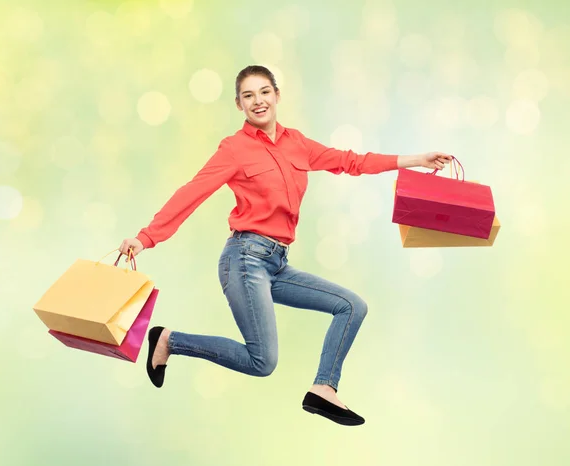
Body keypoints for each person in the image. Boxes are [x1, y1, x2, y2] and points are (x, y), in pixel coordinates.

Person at [119, 65, 452, 426]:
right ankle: (169, 340)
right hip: (244, 259)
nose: (258, 101)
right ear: (239, 105)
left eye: (264, 92)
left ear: (277, 95)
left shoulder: (297, 143)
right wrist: (145, 237)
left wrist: (417, 161)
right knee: (262, 362)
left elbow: (353, 162)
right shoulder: (234, 149)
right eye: (248, 96)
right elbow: (192, 193)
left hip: (277, 264)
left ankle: (324, 388)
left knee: (352, 307)